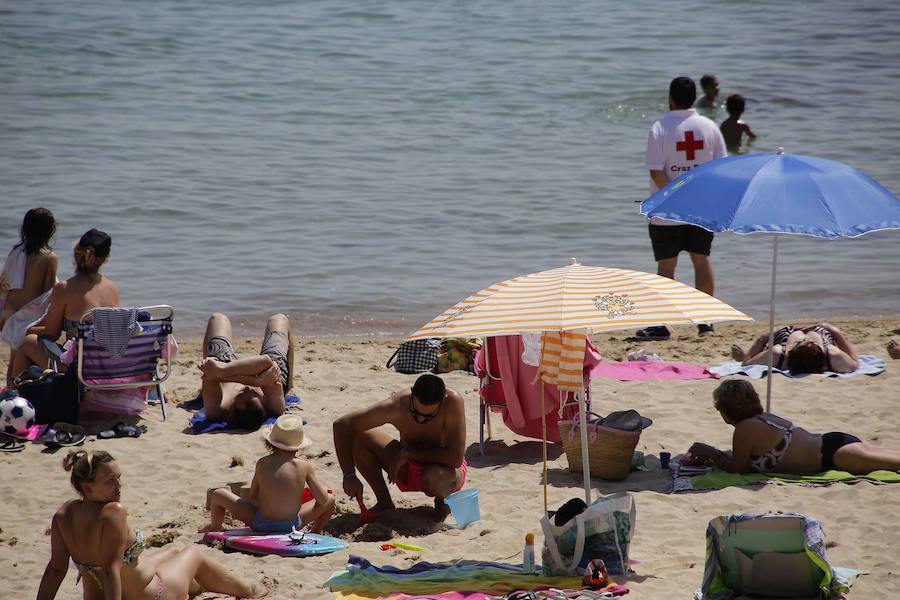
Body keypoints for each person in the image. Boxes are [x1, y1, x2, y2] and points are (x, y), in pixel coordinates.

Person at [36, 450, 269, 599]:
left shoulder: (63, 515)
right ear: (87, 487)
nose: (119, 486)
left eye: (119, 478)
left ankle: (199, 587)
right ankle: (249, 590)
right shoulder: (112, 513)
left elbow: (56, 569)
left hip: (105, 593)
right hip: (151, 595)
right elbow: (110, 571)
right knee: (193, 554)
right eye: (110, 481)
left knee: (173, 552)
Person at [639, 76, 727, 340]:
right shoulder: (709, 126)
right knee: (701, 260)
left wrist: (676, 199)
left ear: (670, 98)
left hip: (667, 210)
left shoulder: (660, 128)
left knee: (666, 267)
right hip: (701, 208)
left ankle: (663, 325)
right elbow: (720, 169)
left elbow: (656, 172)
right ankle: (705, 321)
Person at [687, 380, 900, 475]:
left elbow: (738, 469)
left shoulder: (745, 428)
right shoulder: (762, 418)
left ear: (726, 409)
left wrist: (710, 452)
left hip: (834, 456)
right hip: (833, 442)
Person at [333, 373, 467, 518]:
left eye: (429, 416)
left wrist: (408, 454)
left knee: (436, 476)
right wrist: (349, 475)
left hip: (441, 472)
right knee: (361, 437)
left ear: (443, 400)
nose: (421, 419)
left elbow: (455, 459)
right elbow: (342, 424)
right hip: (404, 467)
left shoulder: (453, 402)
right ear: (412, 395)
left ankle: (442, 507)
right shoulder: (397, 405)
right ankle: (384, 502)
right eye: (415, 413)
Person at [10, 228, 119, 385]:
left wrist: (26, 329)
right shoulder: (113, 288)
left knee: (27, 342)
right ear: (105, 259)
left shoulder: (65, 288)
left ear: (77, 251)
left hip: (78, 369)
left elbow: (51, 333)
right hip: (106, 366)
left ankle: (17, 394)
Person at [201, 414, 335, 534]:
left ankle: (215, 527)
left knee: (219, 494)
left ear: (271, 442)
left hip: (261, 523)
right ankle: (316, 530)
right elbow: (322, 500)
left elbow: (253, 497)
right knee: (330, 498)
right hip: (291, 526)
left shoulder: (262, 463)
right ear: (299, 446)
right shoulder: (305, 466)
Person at [198, 312, 294, 431]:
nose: (248, 388)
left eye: (242, 394)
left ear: (232, 410)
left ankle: (209, 387)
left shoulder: (216, 410)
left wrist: (222, 371)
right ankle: (290, 383)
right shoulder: (274, 407)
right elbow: (265, 362)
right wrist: (256, 381)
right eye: (255, 393)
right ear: (263, 407)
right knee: (279, 319)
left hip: (228, 366)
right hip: (265, 370)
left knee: (217, 318)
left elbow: (209, 370)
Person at [1, 208, 59, 387]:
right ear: (51, 230)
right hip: (30, 316)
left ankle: (8, 394)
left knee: (13, 359)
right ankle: (17, 393)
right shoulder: (49, 257)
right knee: (22, 362)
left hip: (11, 312)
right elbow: (48, 294)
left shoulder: (16, 251)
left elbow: (5, 282)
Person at [730, 322, 859, 374]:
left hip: (785, 334)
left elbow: (746, 364)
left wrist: (764, 337)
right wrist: (832, 330)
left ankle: (744, 353)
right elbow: (855, 361)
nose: (806, 338)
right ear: (820, 352)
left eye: (802, 342)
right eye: (809, 341)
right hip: (819, 331)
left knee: (775, 332)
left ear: (794, 348)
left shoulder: (778, 354)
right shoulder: (832, 355)